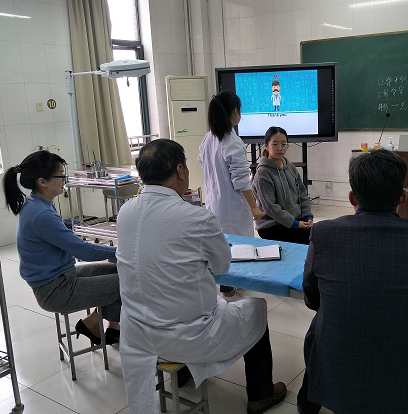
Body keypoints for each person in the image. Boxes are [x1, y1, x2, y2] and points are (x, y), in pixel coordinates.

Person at [116, 139, 286, 414]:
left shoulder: (126, 211)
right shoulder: (197, 218)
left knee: (185, 298)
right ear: (180, 170)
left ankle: (184, 374)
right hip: (187, 335)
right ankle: (260, 395)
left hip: (136, 332)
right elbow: (221, 267)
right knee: (256, 309)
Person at [297, 150, 408, 414]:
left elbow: (311, 299)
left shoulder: (323, 233)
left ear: (352, 198)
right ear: (402, 197)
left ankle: (311, 399)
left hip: (337, 367)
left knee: (320, 323)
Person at [2, 150, 120, 345]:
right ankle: (99, 325)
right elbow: (84, 251)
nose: (64, 179)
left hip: (64, 276)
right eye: (60, 175)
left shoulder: (39, 203)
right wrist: (123, 251)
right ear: (42, 182)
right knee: (129, 280)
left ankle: (103, 325)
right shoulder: (41, 214)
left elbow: (68, 240)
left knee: (119, 271)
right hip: (56, 290)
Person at [199, 91, 263, 299]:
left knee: (222, 245)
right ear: (235, 111)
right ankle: (230, 289)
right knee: (238, 246)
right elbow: (242, 181)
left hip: (214, 202)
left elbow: (204, 165)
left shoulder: (208, 138)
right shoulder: (232, 142)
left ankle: (227, 287)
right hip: (231, 207)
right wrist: (254, 207)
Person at [252, 127, 313, 245]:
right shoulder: (263, 174)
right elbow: (271, 208)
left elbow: (302, 195)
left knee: (318, 232)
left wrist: (307, 216)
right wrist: (295, 224)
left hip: (294, 220)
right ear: (267, 146)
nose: (280, 148)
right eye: (275, 144)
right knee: (311, 238)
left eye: (283, 144)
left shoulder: (291, 168)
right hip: (271, 225)